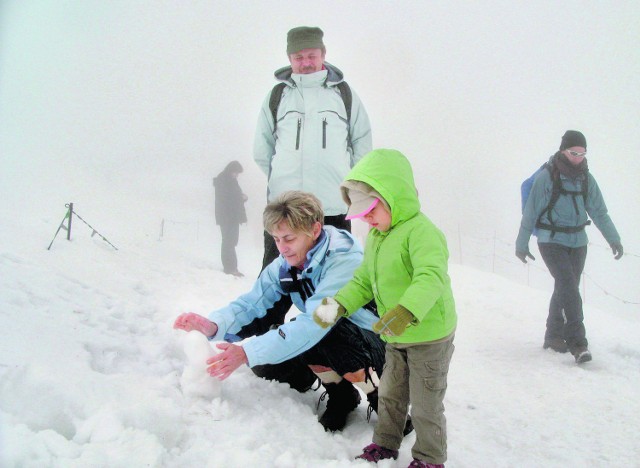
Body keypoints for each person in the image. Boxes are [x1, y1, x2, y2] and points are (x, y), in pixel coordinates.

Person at [174, 191, 386, 432]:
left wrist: (245, 353)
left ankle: (386, 402)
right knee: (285, 352)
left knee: (320, 330)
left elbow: (316, 323)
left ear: (315, 230)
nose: (282, 248)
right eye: (276, 239)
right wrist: (215, 326)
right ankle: (341, 395)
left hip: (379, 341)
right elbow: (253, 303)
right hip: (329, 331)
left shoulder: (344, 259)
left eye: (288, 238)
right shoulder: (288, 264)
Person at [314, 149, 457, 468]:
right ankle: (385, 444)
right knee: (390, 395)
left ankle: (430, 457)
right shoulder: (377, 237)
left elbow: (430, 276)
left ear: (395, 197)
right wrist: (338, 305)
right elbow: (364, 281)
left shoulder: (422, 232)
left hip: (429, 337)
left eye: (371, 210)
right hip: (396, 335)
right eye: (361, 212)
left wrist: (407, 310)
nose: (366, 218)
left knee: (425, 404)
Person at [249, 26, 373, 338]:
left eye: (311, 55)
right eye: (298, 56)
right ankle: (264, 342)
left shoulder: (343, 94)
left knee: (335, 278)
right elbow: (262, 150)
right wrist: (282, 179)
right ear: (290, 58)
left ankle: (336, 342)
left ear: (323, 55)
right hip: (286, 208)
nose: (305, 62)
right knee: (274, 274)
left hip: (331, 207)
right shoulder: (278, 96)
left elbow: (362, 144)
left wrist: (346, 183)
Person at [515, 130, 623, 364]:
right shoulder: (548, 177)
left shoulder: (586, 178)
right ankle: (578, 343)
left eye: (582, 153)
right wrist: (521, 244)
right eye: (574, 153)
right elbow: (531, 212)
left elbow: (599, 212)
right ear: (563, 151)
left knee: (566, 287)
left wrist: (614, 239)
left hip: (578, 242)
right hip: (551, 240)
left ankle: (553, 336)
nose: (578, 158)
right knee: (569, 287)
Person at [213, 161, 247, 277]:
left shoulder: (228, 180)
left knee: (230, 241)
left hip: (230, 216)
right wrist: (241, 197)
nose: (237, 175)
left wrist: (241, 197)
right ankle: (230, 268)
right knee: (229, 241)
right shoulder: (224, 180)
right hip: (228, 217)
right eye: (236, 172)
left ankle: (231, 267)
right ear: (231, 170)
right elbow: (227, 199)